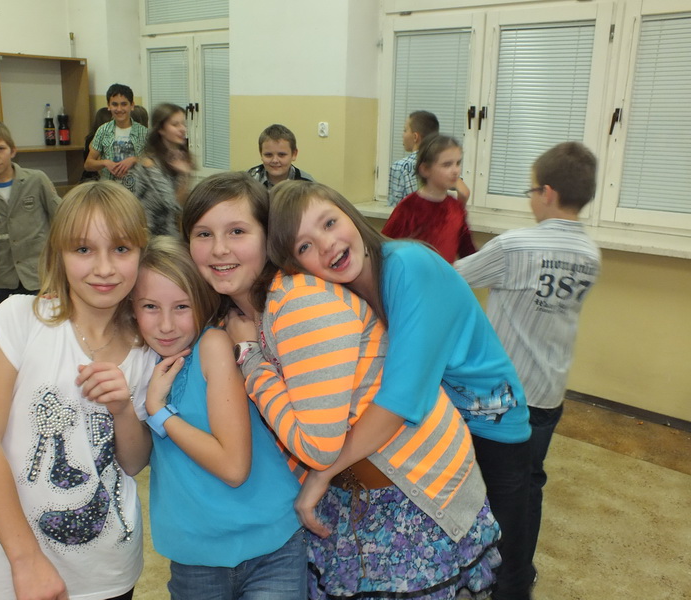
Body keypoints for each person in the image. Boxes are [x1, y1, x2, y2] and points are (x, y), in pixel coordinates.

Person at [182, 172, 501, 600]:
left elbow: (317, 448)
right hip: (353, 500)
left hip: (413, 498)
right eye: (204, 234)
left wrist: (250, 360)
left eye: (237, 231)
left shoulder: (298, 300)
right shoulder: (246, 314)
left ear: (268, 240)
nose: (220, 248)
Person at [267, 180, 533, 600]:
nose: (326, 244)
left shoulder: (408, 265)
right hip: (445, 422)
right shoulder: (344, 288)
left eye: (329, 223)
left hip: (492, 426)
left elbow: (402, 399)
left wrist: (323, 473)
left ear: (351, 214)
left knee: (505, 566)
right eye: (304, 246)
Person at [0, 181, 153, 600]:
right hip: (22, 570)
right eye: (83, 249)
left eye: (121, 248)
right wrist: (25, 560)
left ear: (142, 253)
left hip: (112, 571)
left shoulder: (147, 350)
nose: (104, 268)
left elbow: (134, 462)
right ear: (59, 255)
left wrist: (123, 409)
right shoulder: (19, 321)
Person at [123, 235, 306, 599]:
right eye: (150, 307)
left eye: (182, 306)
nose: (166, 325)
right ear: (131, 309)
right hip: (193, 554)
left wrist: (160, 412)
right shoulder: (140, 360)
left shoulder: (212, 345)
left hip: (270, 546)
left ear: (203, 302)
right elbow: (131, 461)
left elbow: (233, 468)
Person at [454, 141, 601, 589]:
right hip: (549, 392)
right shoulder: (590, 254)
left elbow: (451, 278)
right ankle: (519, 572)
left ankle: (496, 576)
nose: (531, 198)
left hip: (502, 397)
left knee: (489, 485)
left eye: (531, 190)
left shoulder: (515, 246)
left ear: (547, 193)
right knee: (529, 484)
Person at [0, 118, 62, 310]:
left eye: (0, 148)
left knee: (46, 325)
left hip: (42, 277)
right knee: (3, 327)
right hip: (4, 280)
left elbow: (63, 218)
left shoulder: (36, 180)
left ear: (12, 150)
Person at [382, 134, 476, 263]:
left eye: (458, 163)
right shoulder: (408, 208)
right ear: (425, 169)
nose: (456, 171)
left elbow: (468, 252)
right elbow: (385, 250)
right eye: (447, 165)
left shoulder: (456, 208)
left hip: (444, 275)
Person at [131, 103, 194, 237]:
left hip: (167, 230)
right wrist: (184, 174)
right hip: (148, 234)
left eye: (183, 124)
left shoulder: (177, 157)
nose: (182, 129)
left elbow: (182, 205)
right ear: (161, 129)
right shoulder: (149, 163)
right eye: (175, 125)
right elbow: (173, 204)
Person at [387, 111, 470, 208]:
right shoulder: (441, 163)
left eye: (405, 130)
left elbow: (394, 207)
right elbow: (465, 192)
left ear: (415, 137)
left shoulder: (399, 167)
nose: (403, 135)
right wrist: (456, 211)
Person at [84, 83, 148, 192]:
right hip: (110, 190)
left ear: (132, 105)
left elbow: (153, 163)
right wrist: (105, 163)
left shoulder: (144, 132)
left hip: (137, 191)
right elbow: (88, 164)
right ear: (109, 106)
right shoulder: (103, 131)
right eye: (114, 104)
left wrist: (135, 160)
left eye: (124, 104)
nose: (119, 109)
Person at [247, 124, 314, 189]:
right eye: (268, 155)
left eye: (281, 155)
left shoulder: (307, 185)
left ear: (294, 154)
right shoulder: (247, 181)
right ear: (261, 154)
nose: (275, 160)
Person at [79, 107, 114, 183]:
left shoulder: (90, 137)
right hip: (95, 180)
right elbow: (100, 169)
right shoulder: (98, 139)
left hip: (87, 178)